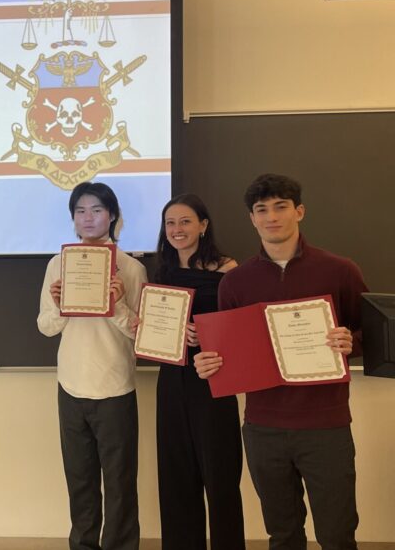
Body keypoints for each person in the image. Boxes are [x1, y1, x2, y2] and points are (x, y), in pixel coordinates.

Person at [195, 174, 367, 550]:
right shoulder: (235, 283)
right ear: (251, 219)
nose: (271, 217)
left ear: (299, 211)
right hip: (263, 429)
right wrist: (210, 363)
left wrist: (349, 341)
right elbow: (229, 352)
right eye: (262, 210)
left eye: (281, 207)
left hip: (327, 427)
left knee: (337, 535)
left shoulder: (340, 270)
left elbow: (373, 334)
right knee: (283, 535)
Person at [37, 182, 147, 550]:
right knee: (80, 479)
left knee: (119, 481)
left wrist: (115, 304)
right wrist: (57, 304)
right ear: (73, 218)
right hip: (70, 385)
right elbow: (47, 327)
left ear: (112, 215)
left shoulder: (131, 267)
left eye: (97, 210)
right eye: (81, 211)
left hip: (115, 386)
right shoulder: (58, 264)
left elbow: (140, 334)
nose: (88, 218)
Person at [148, 194, 244, 549]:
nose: (177, 229)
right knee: (176, 475)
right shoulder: (162, 271)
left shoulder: (227, 269)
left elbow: (240, 327)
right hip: (172, 379)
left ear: (203, 226)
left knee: (220, 477)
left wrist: (205, 333)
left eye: (185, 221)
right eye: (170, 223)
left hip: (213, 379)